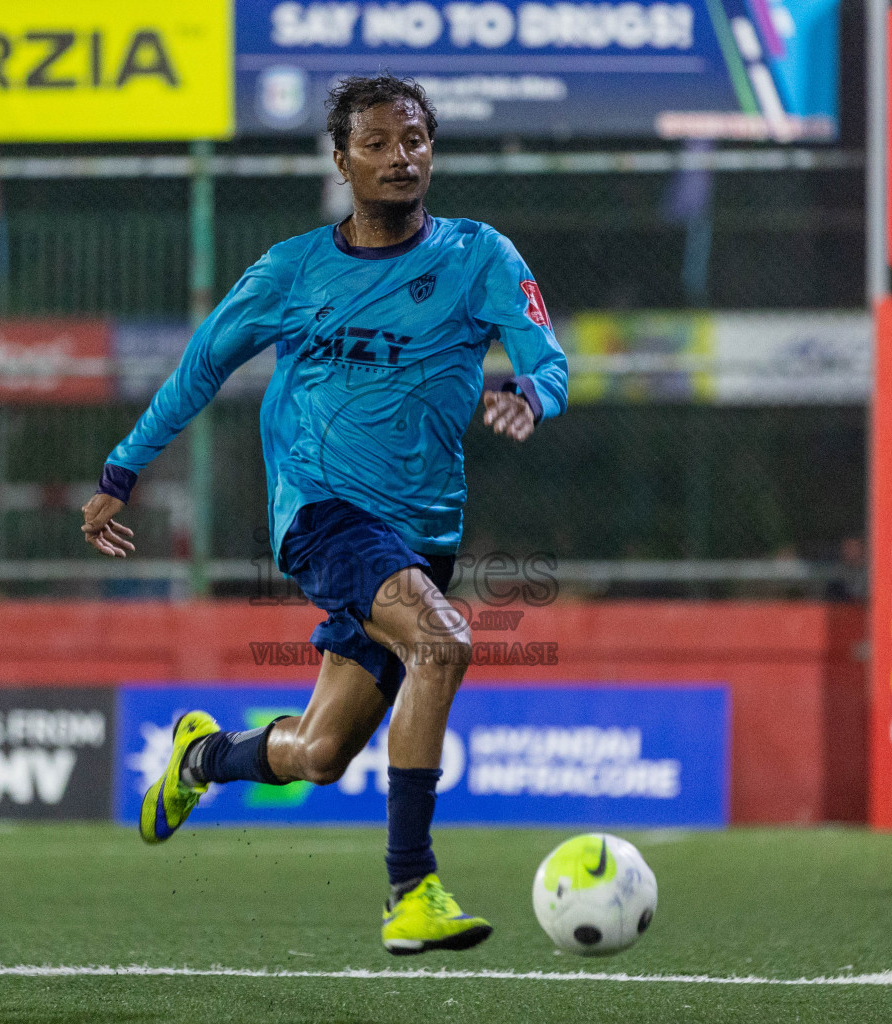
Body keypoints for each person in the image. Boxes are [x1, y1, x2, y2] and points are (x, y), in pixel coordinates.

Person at [79, 74, 567, 954]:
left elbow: (548, 358)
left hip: (421, 535)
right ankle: (411, 890)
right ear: (341, 160)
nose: (400, 156)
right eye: (377, 143)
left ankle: (202, 759)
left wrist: (531, 392)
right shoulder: (292, 270)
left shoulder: (480, 256)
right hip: (322, 514)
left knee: (318, 754)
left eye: (414, 139)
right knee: (443, 643)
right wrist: (123, 469)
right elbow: (201, 368)